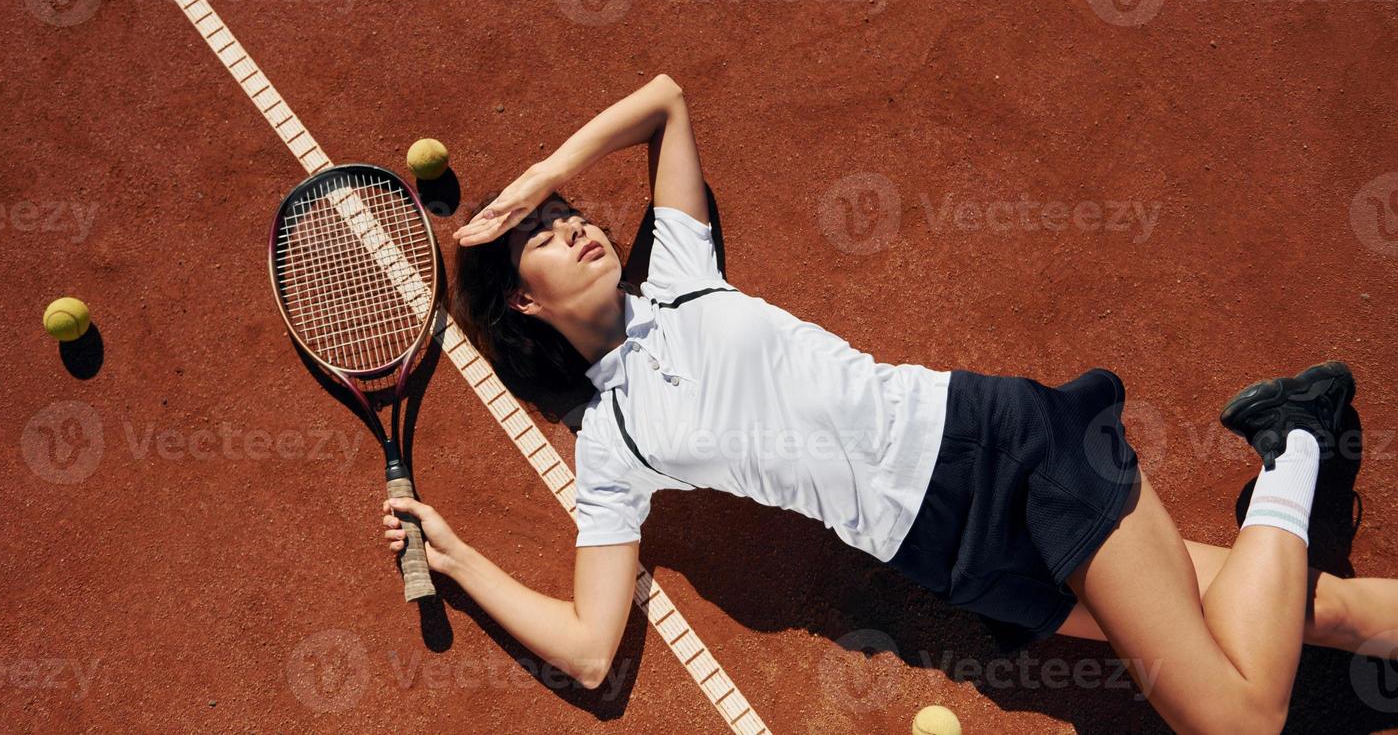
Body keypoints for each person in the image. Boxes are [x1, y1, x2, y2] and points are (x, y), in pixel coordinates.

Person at [380, 73, 1397, 731]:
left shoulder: (681, 269)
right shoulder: (612, 442)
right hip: (951, 553)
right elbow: (593, 647)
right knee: (1324, 614)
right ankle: (1299, 438)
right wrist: (460, 560)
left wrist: (551, 165)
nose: (578, 227)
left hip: (998, 447)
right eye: (547, 238)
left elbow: (666, 101)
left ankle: (1296, 438)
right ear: (521, 298)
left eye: (571, 216)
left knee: (1238, 719)